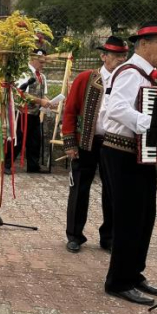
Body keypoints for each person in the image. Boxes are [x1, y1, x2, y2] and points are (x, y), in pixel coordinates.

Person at [102, 20, 157, 306]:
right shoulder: (130, 72)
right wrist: (153, 124)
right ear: (143, 44)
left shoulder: (147, 76)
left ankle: (134, 273)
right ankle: (118, 281)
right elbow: (116, 108)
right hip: (121, 151)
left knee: (145, 216)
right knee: (128, 218)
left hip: (139, 153)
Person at [62, 37, 128, 254]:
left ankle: (108, 237)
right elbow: (70, 111)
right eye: (115, 56)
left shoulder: (126, 81)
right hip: (85, 142)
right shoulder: (86, 78)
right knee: (79, 189)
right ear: (103, 56)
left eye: (122, 56)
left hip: (114, 143)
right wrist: (70, 142)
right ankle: (74, 235)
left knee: (113, 190)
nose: (119, 60)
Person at [6, 49, 53, 174]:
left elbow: (44, 95)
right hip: (23, 113)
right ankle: (6, 164)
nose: (43, 64)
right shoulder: (24, 73)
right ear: (32, 59)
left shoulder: (42, 76)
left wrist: (49, 102)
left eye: (44, 61)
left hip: (35, 113)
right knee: (18, 139)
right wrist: (40, 101)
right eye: (41, 61)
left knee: (35, 140)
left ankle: (33, 165)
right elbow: (21, 93)